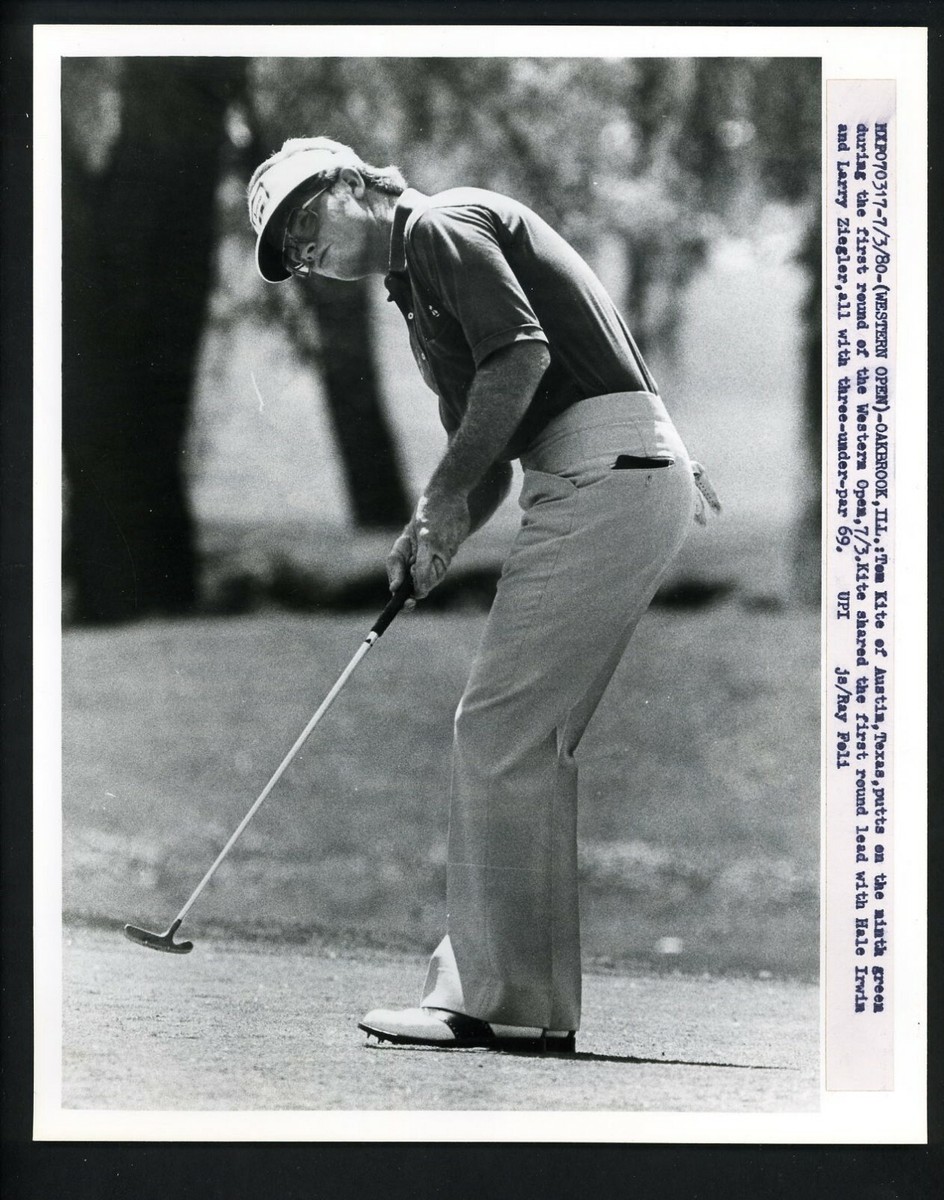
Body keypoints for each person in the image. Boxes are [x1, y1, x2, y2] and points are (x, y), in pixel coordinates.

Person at [248, 136, 719, 1053]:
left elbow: (521, 361)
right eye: (294, 253)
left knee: (495, 730)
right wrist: (442, 530)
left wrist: (435, 498)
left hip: (606, 470)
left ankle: (484, 995)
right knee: (527, 742)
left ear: (355, 183)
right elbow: (492, 453)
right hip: (609, 475)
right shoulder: (419, 294)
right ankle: (527, 1006)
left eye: (309, 220)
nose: (312, 253)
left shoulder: (439, 224)